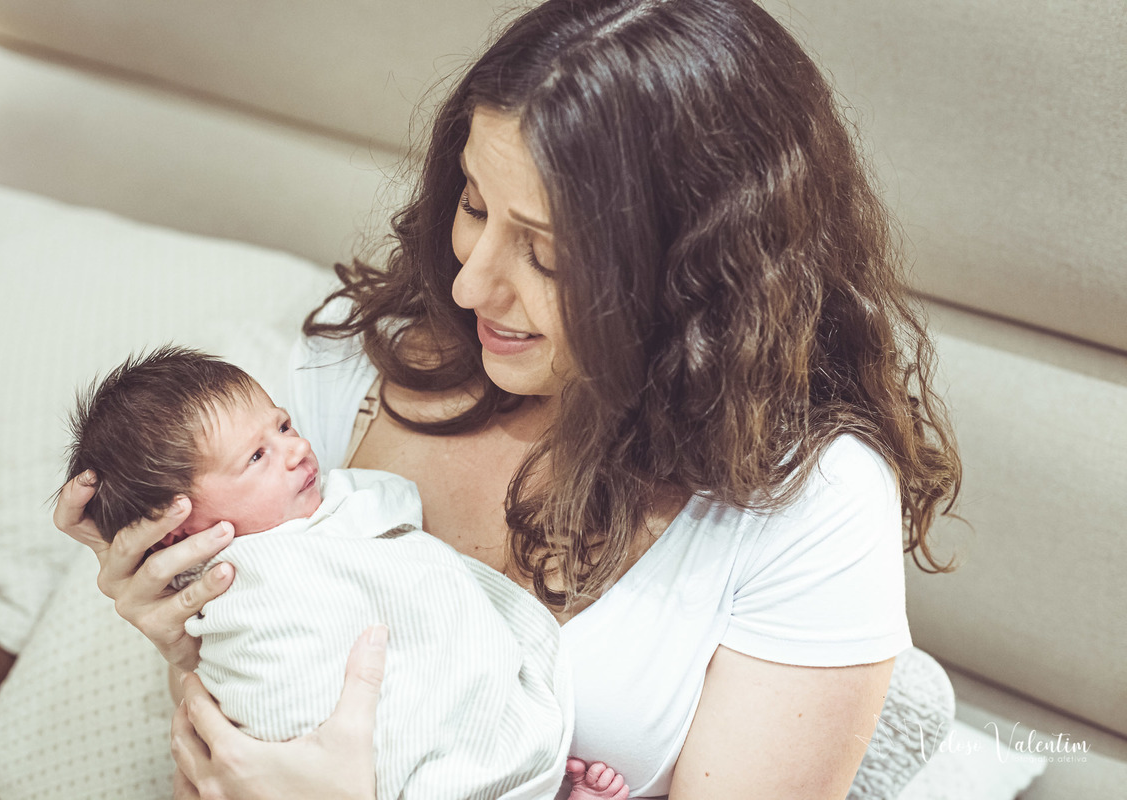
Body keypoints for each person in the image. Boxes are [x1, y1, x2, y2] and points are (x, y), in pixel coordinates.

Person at [55, 0, 961, 797]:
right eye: (476, 208)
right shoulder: (352, 371)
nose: (467, 287)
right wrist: (189, 639)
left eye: (550, 255)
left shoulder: (811, 504)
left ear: (699, 278)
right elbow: (240, 738)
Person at [60, 345, 625, 800]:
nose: (297, 448)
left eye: (281, 425)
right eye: (255, 457)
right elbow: (261, 698)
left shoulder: (329, 512)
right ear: (180, 530)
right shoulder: (228, 586)